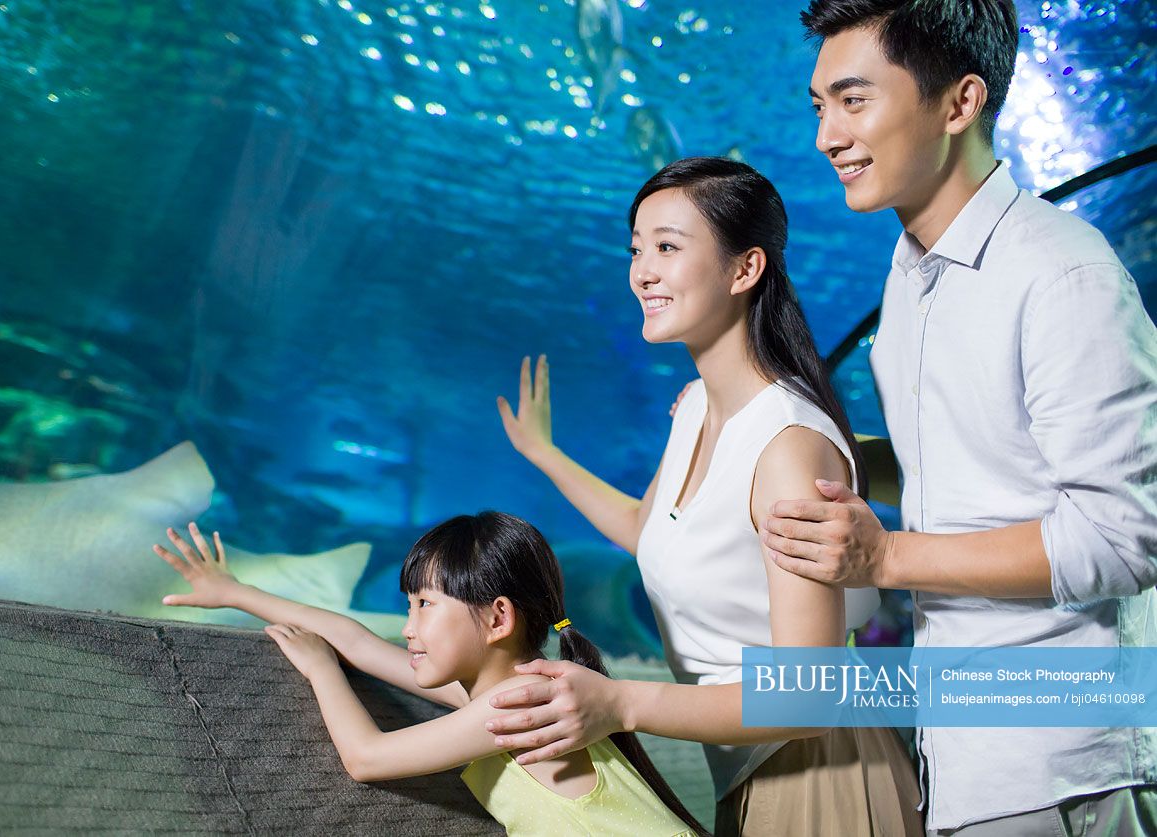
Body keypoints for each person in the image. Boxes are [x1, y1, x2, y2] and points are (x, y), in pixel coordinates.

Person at [756, 1, 1157, 834]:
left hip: (1060, 759)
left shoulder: (1061, 274)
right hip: (962, 750)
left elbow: (1123, 535)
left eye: (854, 100)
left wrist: (885, 552)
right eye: (818, 105)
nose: (826, 136)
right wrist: (814, 453)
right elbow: (981, 463)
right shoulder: (909, 278)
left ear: (959, 102)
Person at [489, 157, 921, 836]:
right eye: (635, 248)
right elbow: (649, 531)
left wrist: (619, 702)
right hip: (749, 774)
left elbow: (806, 696)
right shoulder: (694, 407)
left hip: (820, 778)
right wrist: (546, 455)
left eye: (667, 246)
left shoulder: (787, 447)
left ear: (744, 269)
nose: (642, 271)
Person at [153, 514, 707, 836]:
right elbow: (358, 641)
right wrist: (235, 593)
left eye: (424, 604)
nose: (409, 626)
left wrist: (322, 671)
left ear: (496, 618)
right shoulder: (505, 689)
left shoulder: (517, 702)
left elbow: (367, 759)